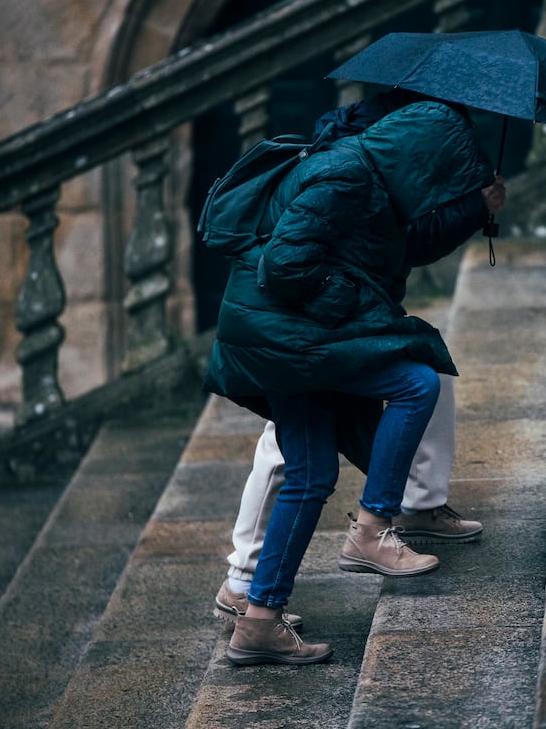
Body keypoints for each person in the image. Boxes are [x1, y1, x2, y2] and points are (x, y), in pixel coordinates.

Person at [202, 95, 504, 665]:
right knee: (417, 382)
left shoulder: (373, 179)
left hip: (288, 336)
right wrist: (355, 305)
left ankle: (259, 620)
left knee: (312, 473)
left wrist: (472, 210)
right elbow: (284, 266)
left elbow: (396, 245)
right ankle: (371, 530)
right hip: (282, 335)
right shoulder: (344, 172)